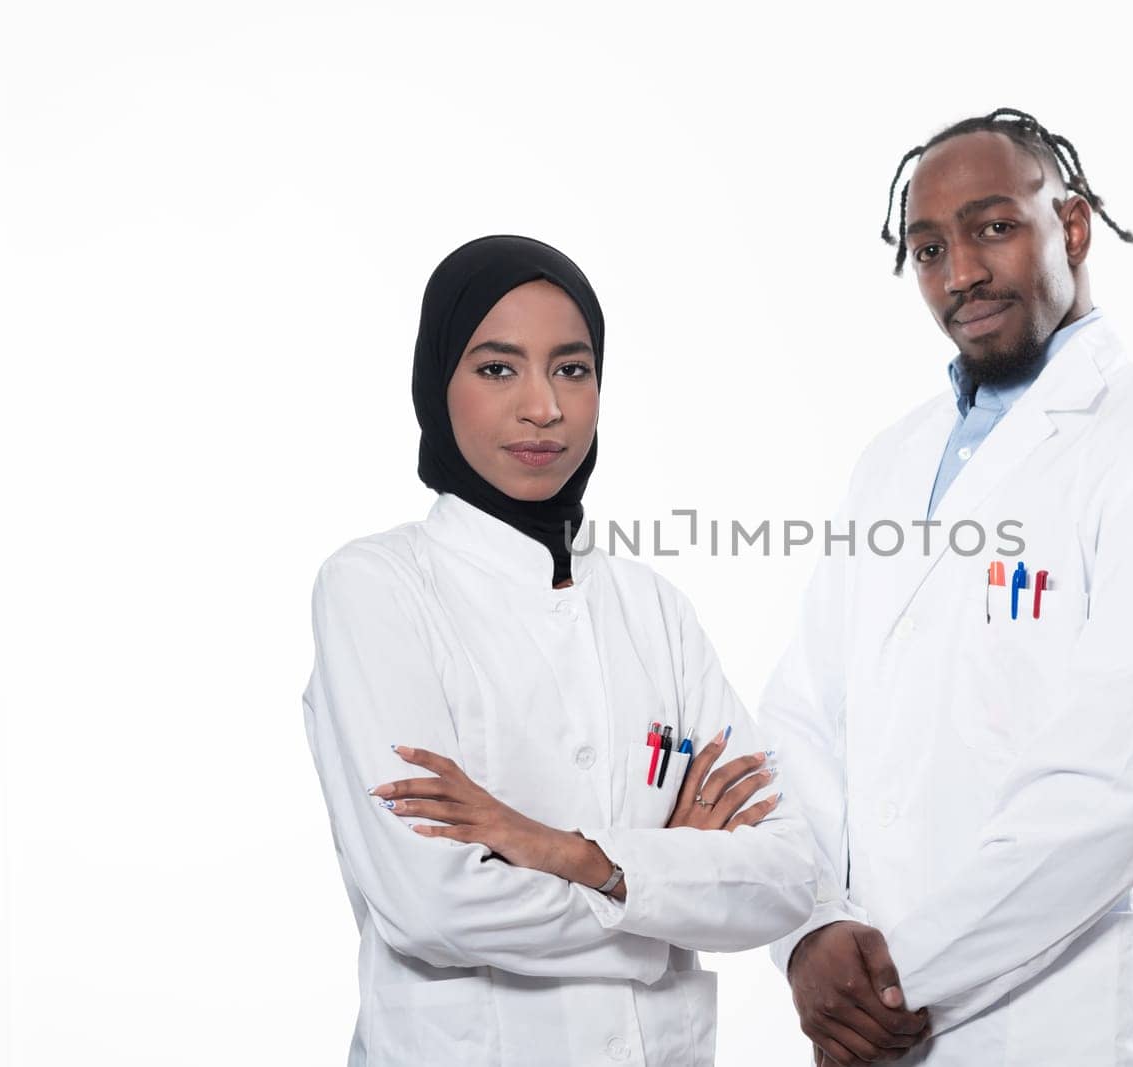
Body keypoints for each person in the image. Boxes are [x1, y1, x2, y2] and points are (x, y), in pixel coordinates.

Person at [760, 108, 1133, 1065]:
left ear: (1069, 227)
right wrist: (807, 931)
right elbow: (800, 718)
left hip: (1060, 1021)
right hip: (873, 1021)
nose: (959, 273)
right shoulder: (891, 461)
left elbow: (1131, 785)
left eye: (993, 227)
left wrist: (890, 979)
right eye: (928, 247)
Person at [302, 235, 817, 1066]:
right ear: (438, 384)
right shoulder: (375, 588)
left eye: (572, 369)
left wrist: (568, 853)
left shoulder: (654, 609)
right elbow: (432, 905)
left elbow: (785, 874)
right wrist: (657, 900)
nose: (543, 406)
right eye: (498, 368)